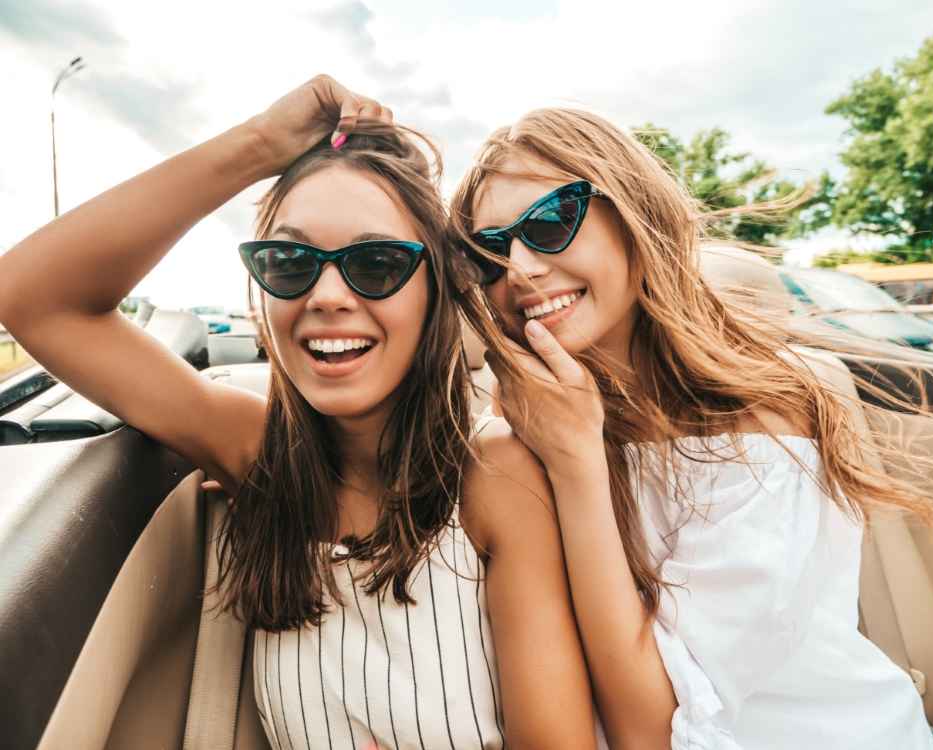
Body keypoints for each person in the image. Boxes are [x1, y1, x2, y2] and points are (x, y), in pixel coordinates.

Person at [0, 77, 598, 749]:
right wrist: (260, 142)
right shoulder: (257, 453)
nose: (328, 295)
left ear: (436, 288)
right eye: (289, 261)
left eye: (376, 262)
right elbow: (32, 297)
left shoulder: (496, 478)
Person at [449, 107, 933, 749]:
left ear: (635, 215)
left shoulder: (758, 429)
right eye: (487, 251)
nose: (518, 267)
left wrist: (576, 463)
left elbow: (653, 734)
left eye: (550, 222)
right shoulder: (520, 419)